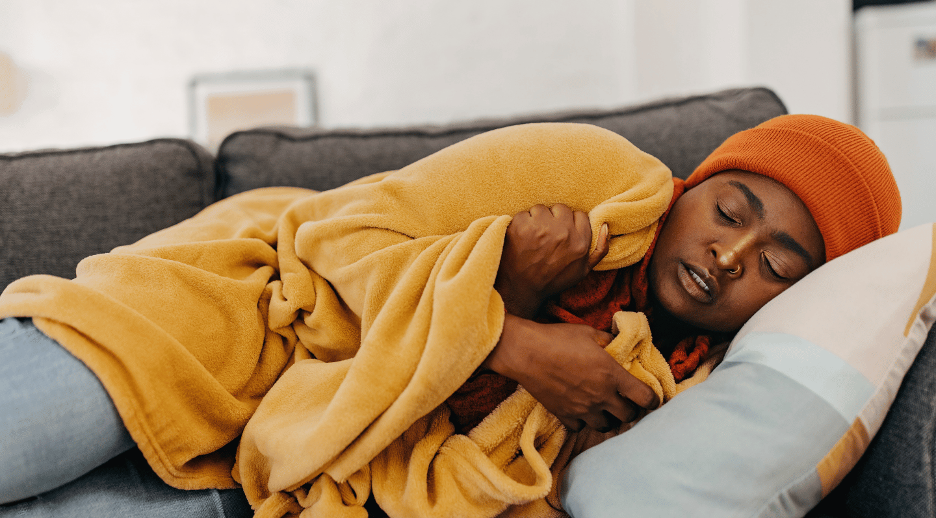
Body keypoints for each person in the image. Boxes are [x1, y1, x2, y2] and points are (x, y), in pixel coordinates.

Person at [0, 114, 900, 517]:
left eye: (779, 265)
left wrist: (509, 301)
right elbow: (339, 239)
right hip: (209, 336)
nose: (730, 256)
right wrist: (513, 339)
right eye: (731, 211)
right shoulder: (590, 176)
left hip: (296, 467)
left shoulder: (678, 388)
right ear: (699, 183)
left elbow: (477, 473)